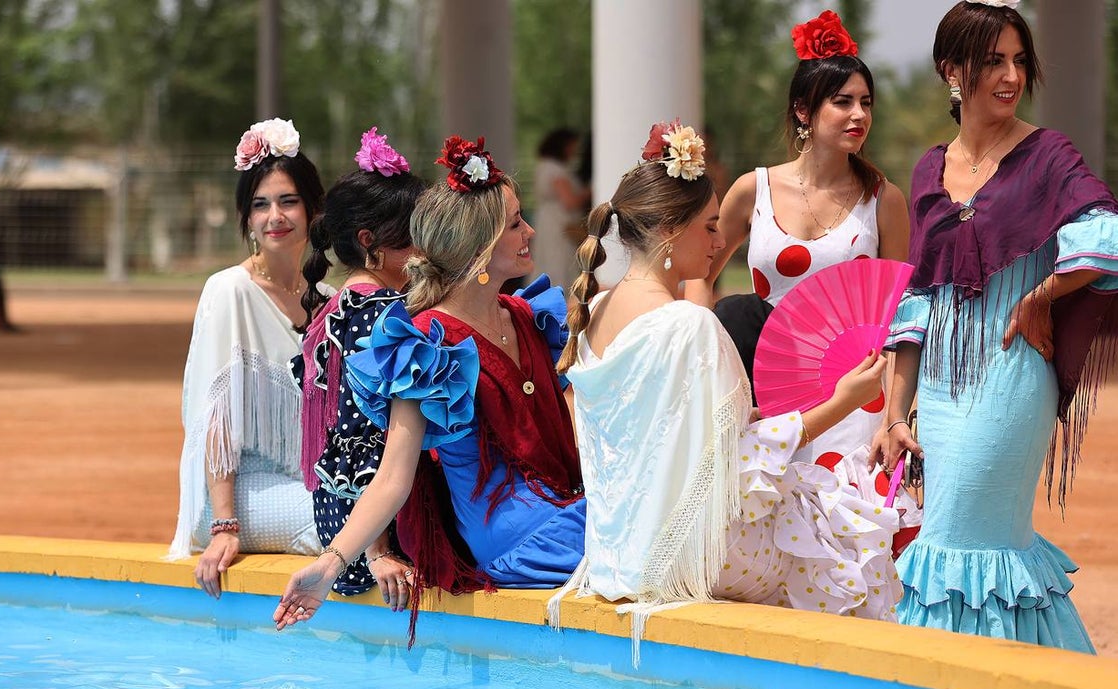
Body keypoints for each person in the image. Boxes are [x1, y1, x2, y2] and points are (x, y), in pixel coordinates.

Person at [552, 120, 901, 644]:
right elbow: (741, 466)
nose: (720, 241)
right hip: (695, 555)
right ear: (670, 230)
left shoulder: (596, 308)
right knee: (847, 535)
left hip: (619, 553)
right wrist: (843, 401)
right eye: (710, 227)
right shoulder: (689, 324)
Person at [872, 1, 1118, 653]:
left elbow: (1108, 236)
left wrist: (1042, 294)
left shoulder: (1048, 155)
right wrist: (894, 414)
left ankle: (968, 688)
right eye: (993, 61)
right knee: (958, 542)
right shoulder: (929, 168)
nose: (1011, 76)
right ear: (951, 70)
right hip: (940, 391)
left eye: (1019, 60)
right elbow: (919, 299)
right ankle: (1032, 686)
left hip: (1012, 374)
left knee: (965, 542)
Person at [274, 135, 585, 634]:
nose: (529, 231)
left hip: (564, 507)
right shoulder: (425, 343)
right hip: (514, 539)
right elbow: (392, 476)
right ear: (479, 246)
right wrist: (331, 564)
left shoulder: (527, 316)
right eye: (514, 224)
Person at [688, 10, 910, 483]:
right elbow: (699, 272)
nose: (859, 114)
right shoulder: (753, 190)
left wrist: (894, 417)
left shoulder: (883, 199)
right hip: (767, 389)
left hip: (856, 400)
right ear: (803, 111)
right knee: (766, 515)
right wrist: (708, 352)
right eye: (843, 101)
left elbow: (899, 318)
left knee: (847, 518)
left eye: (866, 102)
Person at [169, 118, 332, 598]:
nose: (274, 216)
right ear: (246, 216)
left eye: (288, 201)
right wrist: (224, 525)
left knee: (383, 512)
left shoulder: (328, 298)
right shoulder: (229, 290)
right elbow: (215, 415)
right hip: (238, 493)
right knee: (351, 526)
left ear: (313, 209)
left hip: (306, 483)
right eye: (260, 204)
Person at [294, 127, 426, 598]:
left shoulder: (337, 305)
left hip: (336, 520)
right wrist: (377, 550)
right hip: (370, 538)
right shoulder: (381, 313)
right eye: (412, 236)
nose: (423, 249)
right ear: (371, 241)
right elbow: (362, 433)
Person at [531, 127, 590, 293]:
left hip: (547, 222)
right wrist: (590, 191)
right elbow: (569, 202)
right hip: (559, 225)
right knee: (559, 263)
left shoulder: (543, 166)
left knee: (547, 261)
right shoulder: (556, 169)